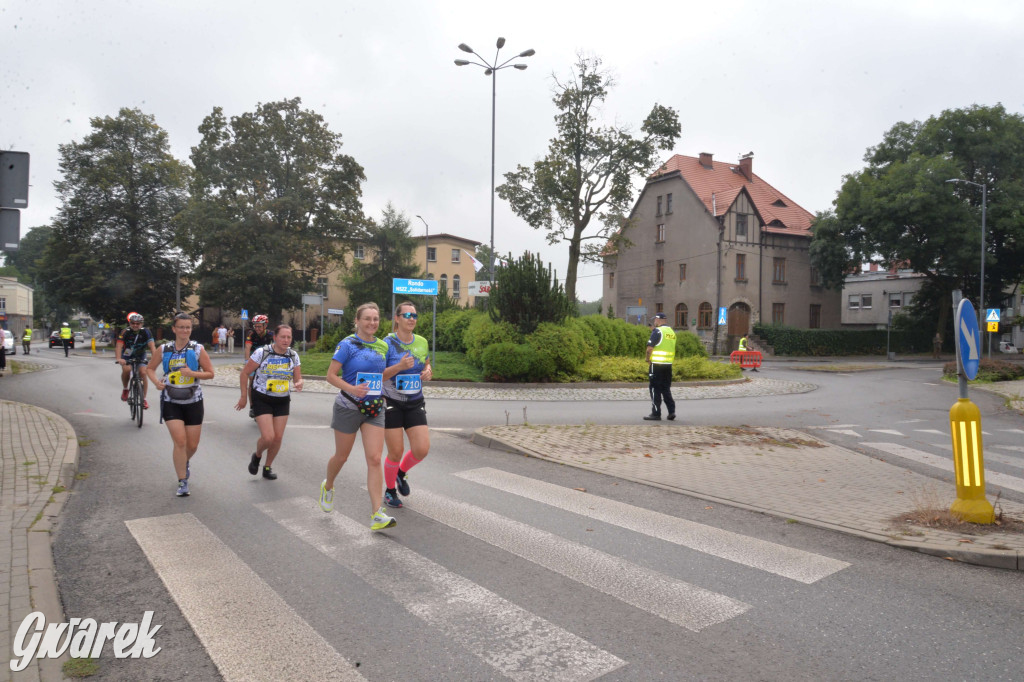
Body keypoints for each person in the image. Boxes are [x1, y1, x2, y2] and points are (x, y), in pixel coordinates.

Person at [318, 302, 407, 531]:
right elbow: (330, 376)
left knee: (375, 458)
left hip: (375, 408)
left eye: (375, 319)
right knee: (341, 456)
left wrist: (398, 368)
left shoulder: (382, 346)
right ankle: (328, 486)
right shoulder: (348, 345)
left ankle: (377, 514)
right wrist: (351, 389)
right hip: (348, 405)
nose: (372, 323)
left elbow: (381, 374)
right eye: (367, 319)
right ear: (357, 321)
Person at [146, 312, 215, 497]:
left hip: (193, 401)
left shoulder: (198, 349)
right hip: (171, 401)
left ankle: (183, 462)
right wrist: (156, 383)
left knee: (192, 445)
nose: (185, 330)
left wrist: (193, 374)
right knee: (180, 442)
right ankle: (182, 481)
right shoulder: (164, 349)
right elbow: (150, 369)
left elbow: (210, 373)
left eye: (188, 327)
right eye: (181, 327)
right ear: (174, 329)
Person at [381, 302, 434, 508]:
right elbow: (379, 375)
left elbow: (426, 362)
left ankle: (401, 473)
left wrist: (428, 371)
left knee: (421, 449)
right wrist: (399, 366)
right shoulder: (386, 343)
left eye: (414, 315)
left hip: (414, 401)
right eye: (407, 315)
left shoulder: (421, 341)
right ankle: (389, 490)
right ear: (397, 318)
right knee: (395, 451)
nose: (411, 318)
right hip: (391, 401)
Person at [235, 324, 303, 480]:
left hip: (282, 400)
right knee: (268, 437)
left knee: (278, 438)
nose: (286, 340)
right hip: (262, 398)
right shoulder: (262, 352)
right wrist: (244, 396)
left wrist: (299, 383)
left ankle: (267, 467)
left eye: (289, 337)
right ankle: (257, 456)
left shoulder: (293, 355)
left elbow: (298, 378)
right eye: (282, 337)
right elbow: (245, 373)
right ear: (275, 337)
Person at [116, 312, 157, 409]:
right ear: (130, 323)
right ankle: (126, 389)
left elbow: (152, 347)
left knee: (143, 372)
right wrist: (119, 358)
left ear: (141, 324)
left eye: (137, 323)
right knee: (127, 370)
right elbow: (119, 346)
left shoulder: (146, 332)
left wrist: (155, 359)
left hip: (140, 354)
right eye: (133, 323)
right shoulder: (125, 332)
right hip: (127, 354)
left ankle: (144, 399)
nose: (135, 325)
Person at [644, 312, 677, 421]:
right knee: (665, 388)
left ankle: (656, 413)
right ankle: (671, 411)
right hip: (668, 365)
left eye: (655, 320)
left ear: (658, 319)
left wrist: (647, 359)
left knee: (654, 388)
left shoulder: (657, 331)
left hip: (656, 365)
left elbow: (649, 348)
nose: (654, 322)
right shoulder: (672, 332)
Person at [245, 315, 274, 418]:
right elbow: (248, 348)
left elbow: (276, 346)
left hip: (266, 360)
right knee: (252, 380)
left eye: (259, 327)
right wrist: (247, 361)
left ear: (265, 326)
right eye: (255, 326)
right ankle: (252, 406)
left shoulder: (271, 334)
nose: (257, 329)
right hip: (253, 359)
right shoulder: (251, 334)